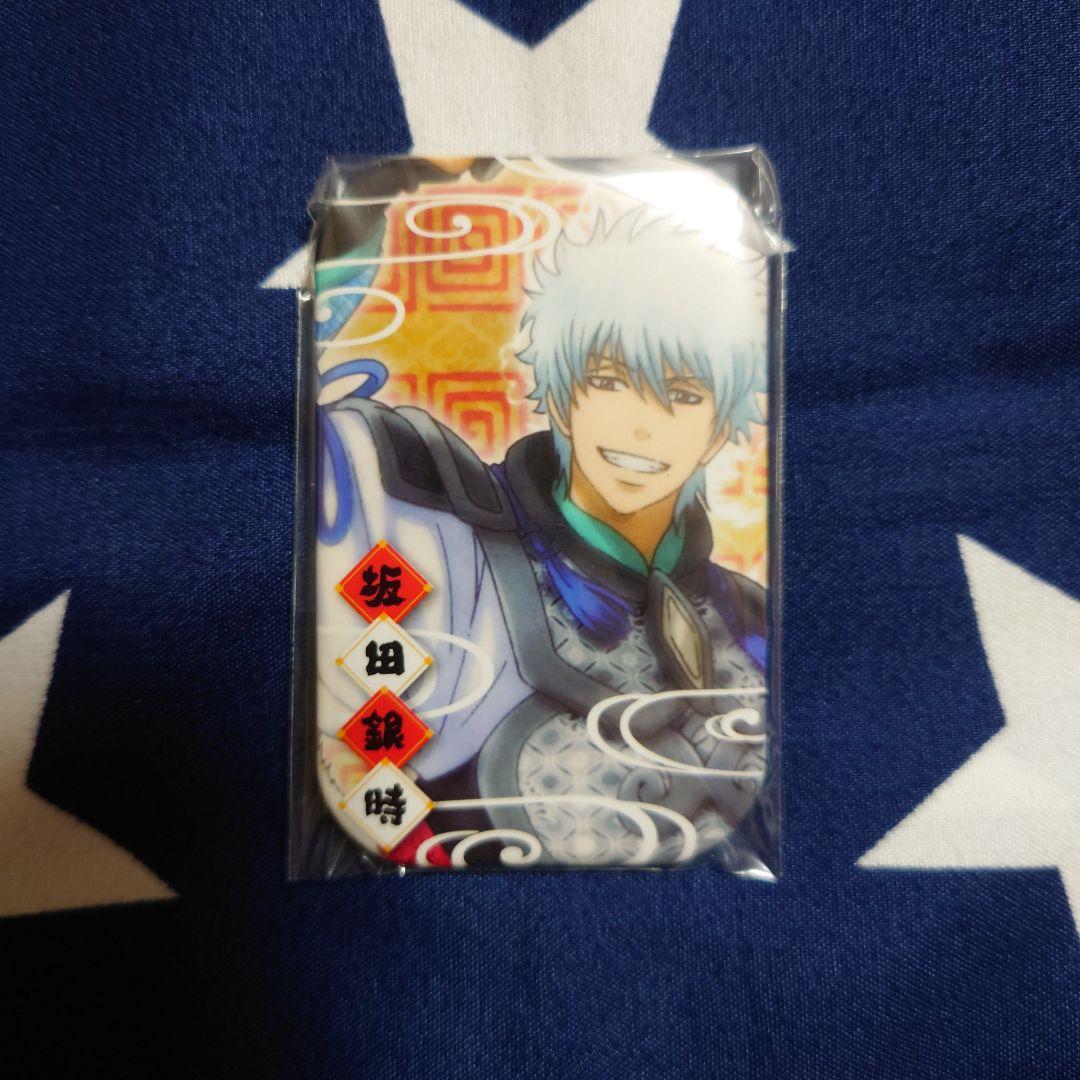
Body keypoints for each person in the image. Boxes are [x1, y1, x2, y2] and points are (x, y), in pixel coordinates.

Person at [317, 209, 771, 867]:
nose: (641, 426)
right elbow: (351, 765)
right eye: (609, 381)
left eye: (682, 393)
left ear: (719, 426)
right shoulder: (451, 548)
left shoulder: (749, 617)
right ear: (561, 397)